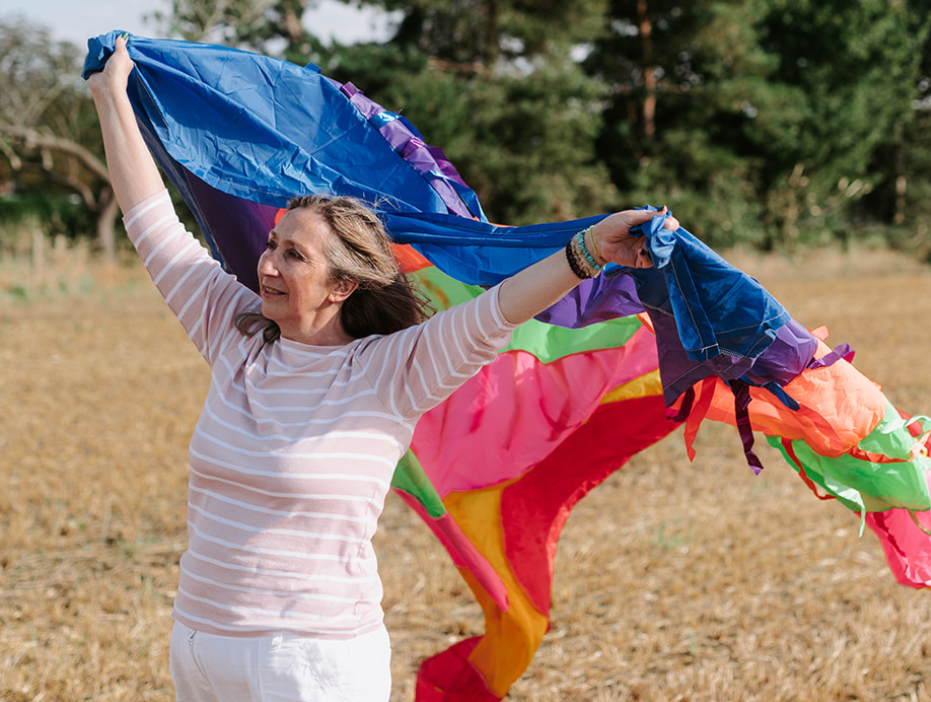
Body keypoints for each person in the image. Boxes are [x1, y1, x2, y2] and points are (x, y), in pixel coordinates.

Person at [89, 34, 678, 702]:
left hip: (308, 663)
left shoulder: (391, 372)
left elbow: (498, 311)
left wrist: (588, 250)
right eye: (275, 245)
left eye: (295, 257)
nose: (268, 264)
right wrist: (112, 95)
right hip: (198, 646)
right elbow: (152, 225)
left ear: (342, 287)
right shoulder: (235, 335)